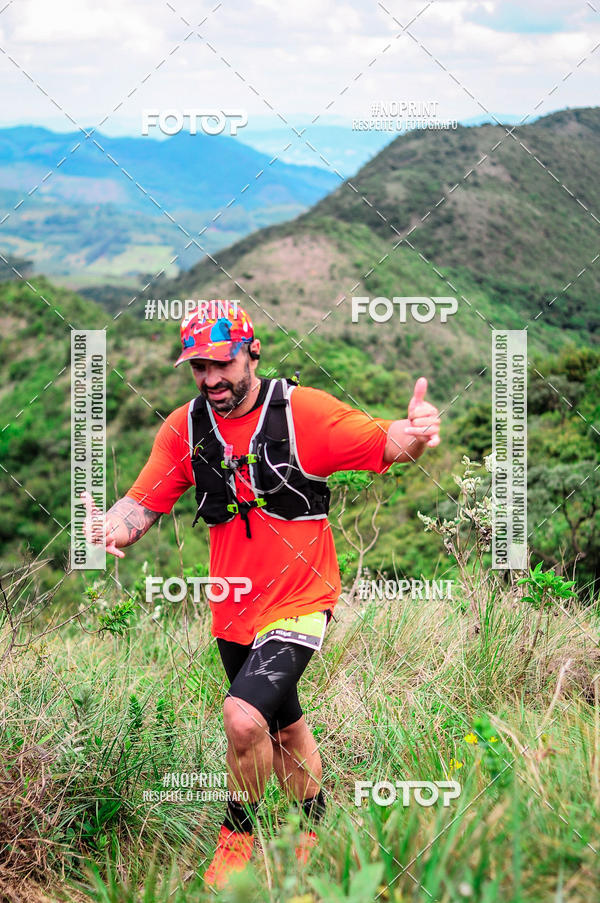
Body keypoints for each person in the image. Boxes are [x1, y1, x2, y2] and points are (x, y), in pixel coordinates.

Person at [82, 302, 441, 888]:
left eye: (221, 363)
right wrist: (111, 528)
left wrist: (418, 433)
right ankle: (313, 832)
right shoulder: (186, 427)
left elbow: (388, 444)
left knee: (243, 718)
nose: (210, 379)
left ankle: (236, 842)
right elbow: (143, 503)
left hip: (302, 598)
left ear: (251, 352)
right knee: (284, 726)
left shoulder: (303, 414)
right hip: (233, 610)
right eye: (198, 366)